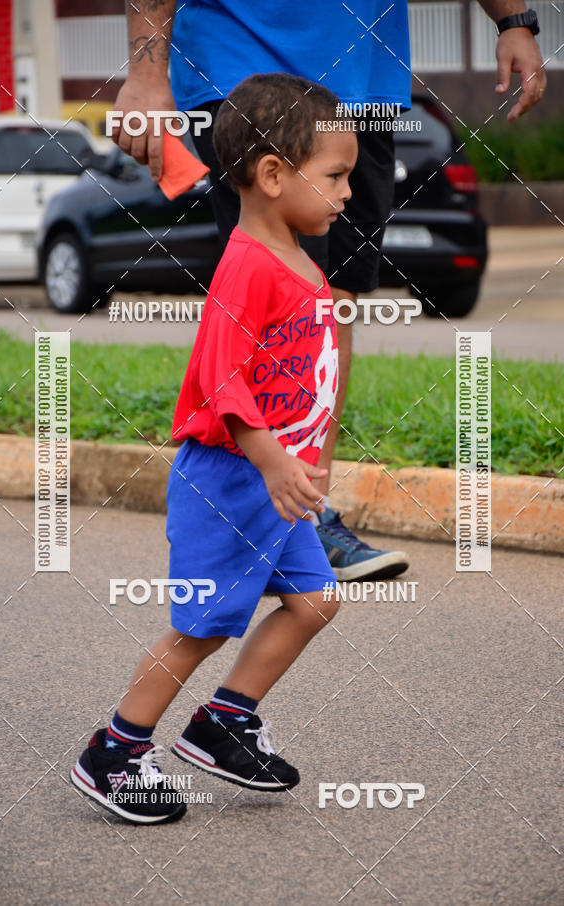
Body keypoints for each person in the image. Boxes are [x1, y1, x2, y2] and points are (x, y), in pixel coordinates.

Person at [112, 1, 545, 582]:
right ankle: (259, 519)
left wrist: (514, 19)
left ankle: (303, 519)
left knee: (327, 315)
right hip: (244, 75)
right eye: (334, 184)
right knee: (274, 305)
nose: (340, 192)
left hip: (367, 87)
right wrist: (146, 71)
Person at [71, 73, 358, 824]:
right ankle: (115, 751)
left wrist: (309, 459)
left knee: (316, 598)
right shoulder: (248, 266)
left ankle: (224, 721)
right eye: (336, 176)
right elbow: (220, 382)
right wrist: (271, 461)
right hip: (231, 481)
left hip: (274, 484)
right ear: (271, 175)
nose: (348, 193)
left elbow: (309, 373)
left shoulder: (299, 261)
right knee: (201, 625)